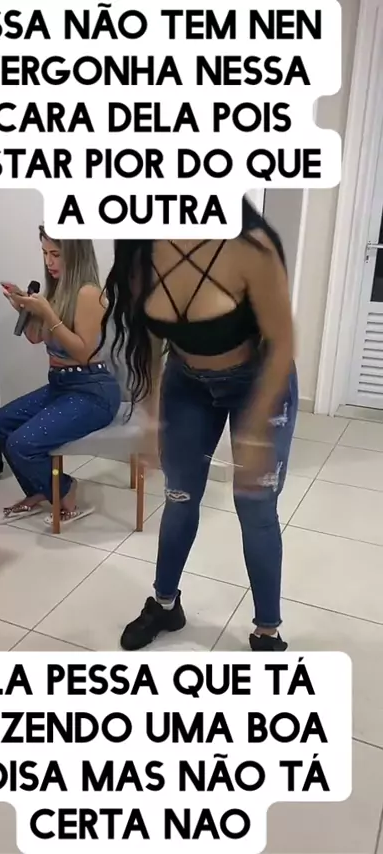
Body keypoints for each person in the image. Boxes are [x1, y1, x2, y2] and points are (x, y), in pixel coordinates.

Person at [100, 198, 297, 652]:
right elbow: (146, 337)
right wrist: (150, 417)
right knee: (180, 497)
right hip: (187, 383)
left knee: (255, 505)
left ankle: (267, 630)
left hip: (259, 380)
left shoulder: (252, 245)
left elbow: (282, 342)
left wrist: (255, 435)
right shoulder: (139, 244)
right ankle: (165, 605)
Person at [0, 230, 121, 526]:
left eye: (56, 254)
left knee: (22, 443)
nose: (49, 262)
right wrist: (24, 309)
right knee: (0, 423)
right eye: (45, 253)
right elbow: (36, 337)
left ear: (75, 254)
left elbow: (84, 353)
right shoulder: (56, 291)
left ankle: (65, 490)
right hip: (61, 385)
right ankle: (40, 490)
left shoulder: (89, 294)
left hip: (93, 391)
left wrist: (48, 314)